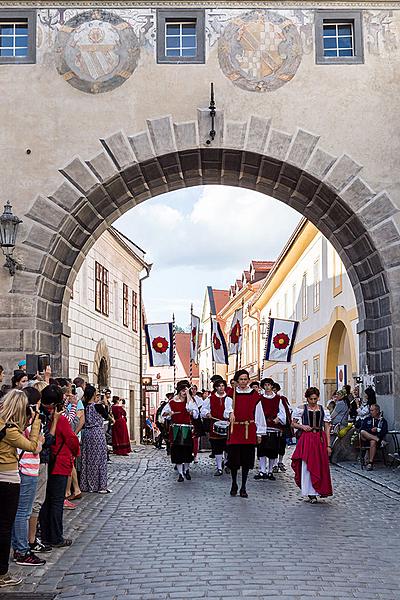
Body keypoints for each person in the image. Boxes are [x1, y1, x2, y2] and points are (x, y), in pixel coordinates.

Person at [0, 389, 41, 588]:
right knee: (5, 526)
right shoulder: (10, 430)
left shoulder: (4, 425)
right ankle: (2, 573)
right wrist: (36, 423)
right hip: (8, 478)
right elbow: (32, 445)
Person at [39, 384, 80, 548]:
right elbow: (71, 439)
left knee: (48, 501)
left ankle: (48, 534)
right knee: (56, 501)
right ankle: (55, 537)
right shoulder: (59, 419)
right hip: (60, 462)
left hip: (51, 461)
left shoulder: (46, 416)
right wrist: (76, 453)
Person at [11, 387, 46, 567]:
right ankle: (21, 550)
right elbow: (36, 446)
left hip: (26, 469)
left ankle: (20, 547)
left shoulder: (20, 421)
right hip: (27, 470)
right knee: (23, 512)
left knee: (22, 511)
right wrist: (38, 436)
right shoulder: (27, 422)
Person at [28, 380, 59, 554]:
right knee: (35, 503)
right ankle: (30, 541)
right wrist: (54, 420)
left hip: (35, 462)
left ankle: (30, 538)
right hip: (36, 462)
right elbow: (46, 441)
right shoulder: (39, 417)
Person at [291, 387, 333, 503]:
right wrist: (302, 426)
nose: (313, 401)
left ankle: (318, 489)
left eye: (315, 399)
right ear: (307, 398)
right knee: (307, 464)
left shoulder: (324, 410)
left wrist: (328, 445)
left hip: (319, 438)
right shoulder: (301, 409)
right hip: (307, 438)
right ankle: (310, 492)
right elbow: (292, 424)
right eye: (311, 399)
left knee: (319, 464)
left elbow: (327, 428)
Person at [224, 369, 262, 498]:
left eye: (245, 379)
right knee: (234, 461)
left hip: (248, 430)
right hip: (235, 430)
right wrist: (230, 413)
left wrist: (260, 433)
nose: (243, 382)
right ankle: (234, 483)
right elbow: (227, 409)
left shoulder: (254, 395)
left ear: (249, 380)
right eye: (241, 379)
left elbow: (259, 415)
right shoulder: (231, 394)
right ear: (237, 381)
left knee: (246, 461)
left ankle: (244, 486)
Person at [161, 381, 199, 482]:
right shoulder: (172, 402)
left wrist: (191, 409)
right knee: (177, 451)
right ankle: (180, 473)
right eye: (182, 390)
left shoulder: (190, 401)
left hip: (187, 428)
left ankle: (186, 470)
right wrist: (169, 413)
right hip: (176, 429)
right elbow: (163, 414)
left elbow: (195, 413)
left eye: (186, 390)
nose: (184, 392)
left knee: (187, 451)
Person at [254, 378, 286, 481]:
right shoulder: (260, 399)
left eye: (269, 385)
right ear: (263, 387)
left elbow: (282, 412)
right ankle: (262, 470)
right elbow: (257, 413)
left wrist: (279, 418)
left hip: (274, 428)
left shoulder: (278, 399)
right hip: (263, 427)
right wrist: (258, 428)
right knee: (262, 450)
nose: (267, 387)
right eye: (265, 385)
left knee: (272, 451)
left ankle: (270, 471)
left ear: (272, 386)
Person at [80, 385, 110, 493]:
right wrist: (105, 403)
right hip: (97, 433)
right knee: (100, 459)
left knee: (87, 459)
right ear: (94, 394)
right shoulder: (98, 406)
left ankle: (88, 485)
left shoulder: (83, 405)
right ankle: (101, 485)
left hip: (87, 433)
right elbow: (106, 416)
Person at [201, 379, 230, 476]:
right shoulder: (210, 398)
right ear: (216, 388)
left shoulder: (229, 398)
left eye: (223, 386)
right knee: (217, 447)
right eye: (219, 386)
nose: (221, 388)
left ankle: (226, 464)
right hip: (215, 425)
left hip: (227, 424)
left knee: (227, 447)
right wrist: (207, 413)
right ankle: (219, 467)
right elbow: (203, 409)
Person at [360, 404, 388, 471]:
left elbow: (384, 431)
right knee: (362, 431)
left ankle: (370, 463)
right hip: (366, 439)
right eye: (370, 410)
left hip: (376, 440)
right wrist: (370, 430)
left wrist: (377, 430)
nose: (371, 412)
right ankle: (380, 441)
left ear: (377, 411)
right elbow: (362, 429)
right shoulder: (367, 419)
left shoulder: (382, 421)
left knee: (373, 441)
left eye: (372, 410)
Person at [271, 381, 292, 472]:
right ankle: (274, 463)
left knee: (282, 444)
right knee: (274, 445)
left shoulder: (282, 399)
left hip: (282, 426)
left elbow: (288, 409)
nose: (274, 392)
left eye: (275, 390)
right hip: (272, 425)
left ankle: (280, 461)